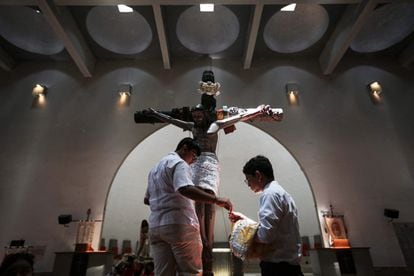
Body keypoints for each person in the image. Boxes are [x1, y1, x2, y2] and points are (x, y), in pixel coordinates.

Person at [144, 137, 232, 276]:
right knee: (190, 272)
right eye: (193, 156)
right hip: (179, 225)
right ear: (184, 148)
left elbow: (147, 199)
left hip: (156, 227)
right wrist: (216, 199)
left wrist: (166, 200)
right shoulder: (179, 163)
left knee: (163, 273)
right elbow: (185, 189)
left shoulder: (154, 169)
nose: (193, 161)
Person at [229, 155, 303, 276]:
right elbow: (273, 228)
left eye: (248, 179)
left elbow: (266, 235)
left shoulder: (269, 194)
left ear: (258, 175)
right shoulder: (280, 193)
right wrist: (245, 220)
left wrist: (243, 230)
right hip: (289, 266)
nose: (248, 184)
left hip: (278, 268)